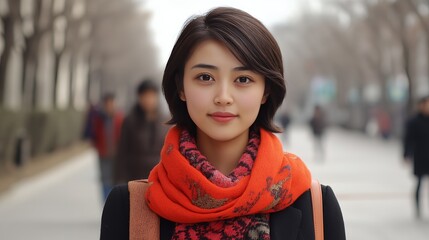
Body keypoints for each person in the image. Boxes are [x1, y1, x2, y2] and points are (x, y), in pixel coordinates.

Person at [101, 7, 345, 239]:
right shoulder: (128, 208)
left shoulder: (315, 205)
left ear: (266, 91)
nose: (223, 97)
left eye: (243, 79)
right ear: (181, 87)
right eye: (205, 77)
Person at [114, 79, 168, 184]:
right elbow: (122, 152)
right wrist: (119, 179)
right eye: (145, 96)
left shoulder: (166, 121)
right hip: (135, 177)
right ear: (139, 97)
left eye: (151, 95)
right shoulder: (130, 120)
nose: (148, 100)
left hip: (159, 179)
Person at [90, 93, 124, 201]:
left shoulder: (120, 118)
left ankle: (115, 205)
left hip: (117, 157)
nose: (109, 106)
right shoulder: (99, 119)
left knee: (117, 181)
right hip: (103, 155)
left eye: (111, 103)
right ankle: (106, 204)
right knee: (105, 180)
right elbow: (93, 135)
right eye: (107, 104)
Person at [403, 95, 429, 219]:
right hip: (420, 156)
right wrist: (406, 154)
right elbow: (408, 139)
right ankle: (418, 208)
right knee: (419, 182)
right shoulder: (413, 122)